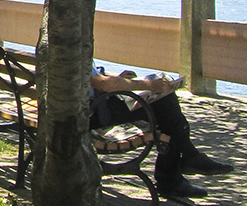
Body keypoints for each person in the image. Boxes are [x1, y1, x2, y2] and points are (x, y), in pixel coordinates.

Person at [90, 67, 233, 198]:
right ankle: (177, 172)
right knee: (164, 104)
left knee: (165, 107)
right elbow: (102, 84)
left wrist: (121, 81)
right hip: (92, 113)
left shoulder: (74, 47)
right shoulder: (72, 48)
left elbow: (94, 81)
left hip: (93, 106)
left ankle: (184, 165)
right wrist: (148, 85)